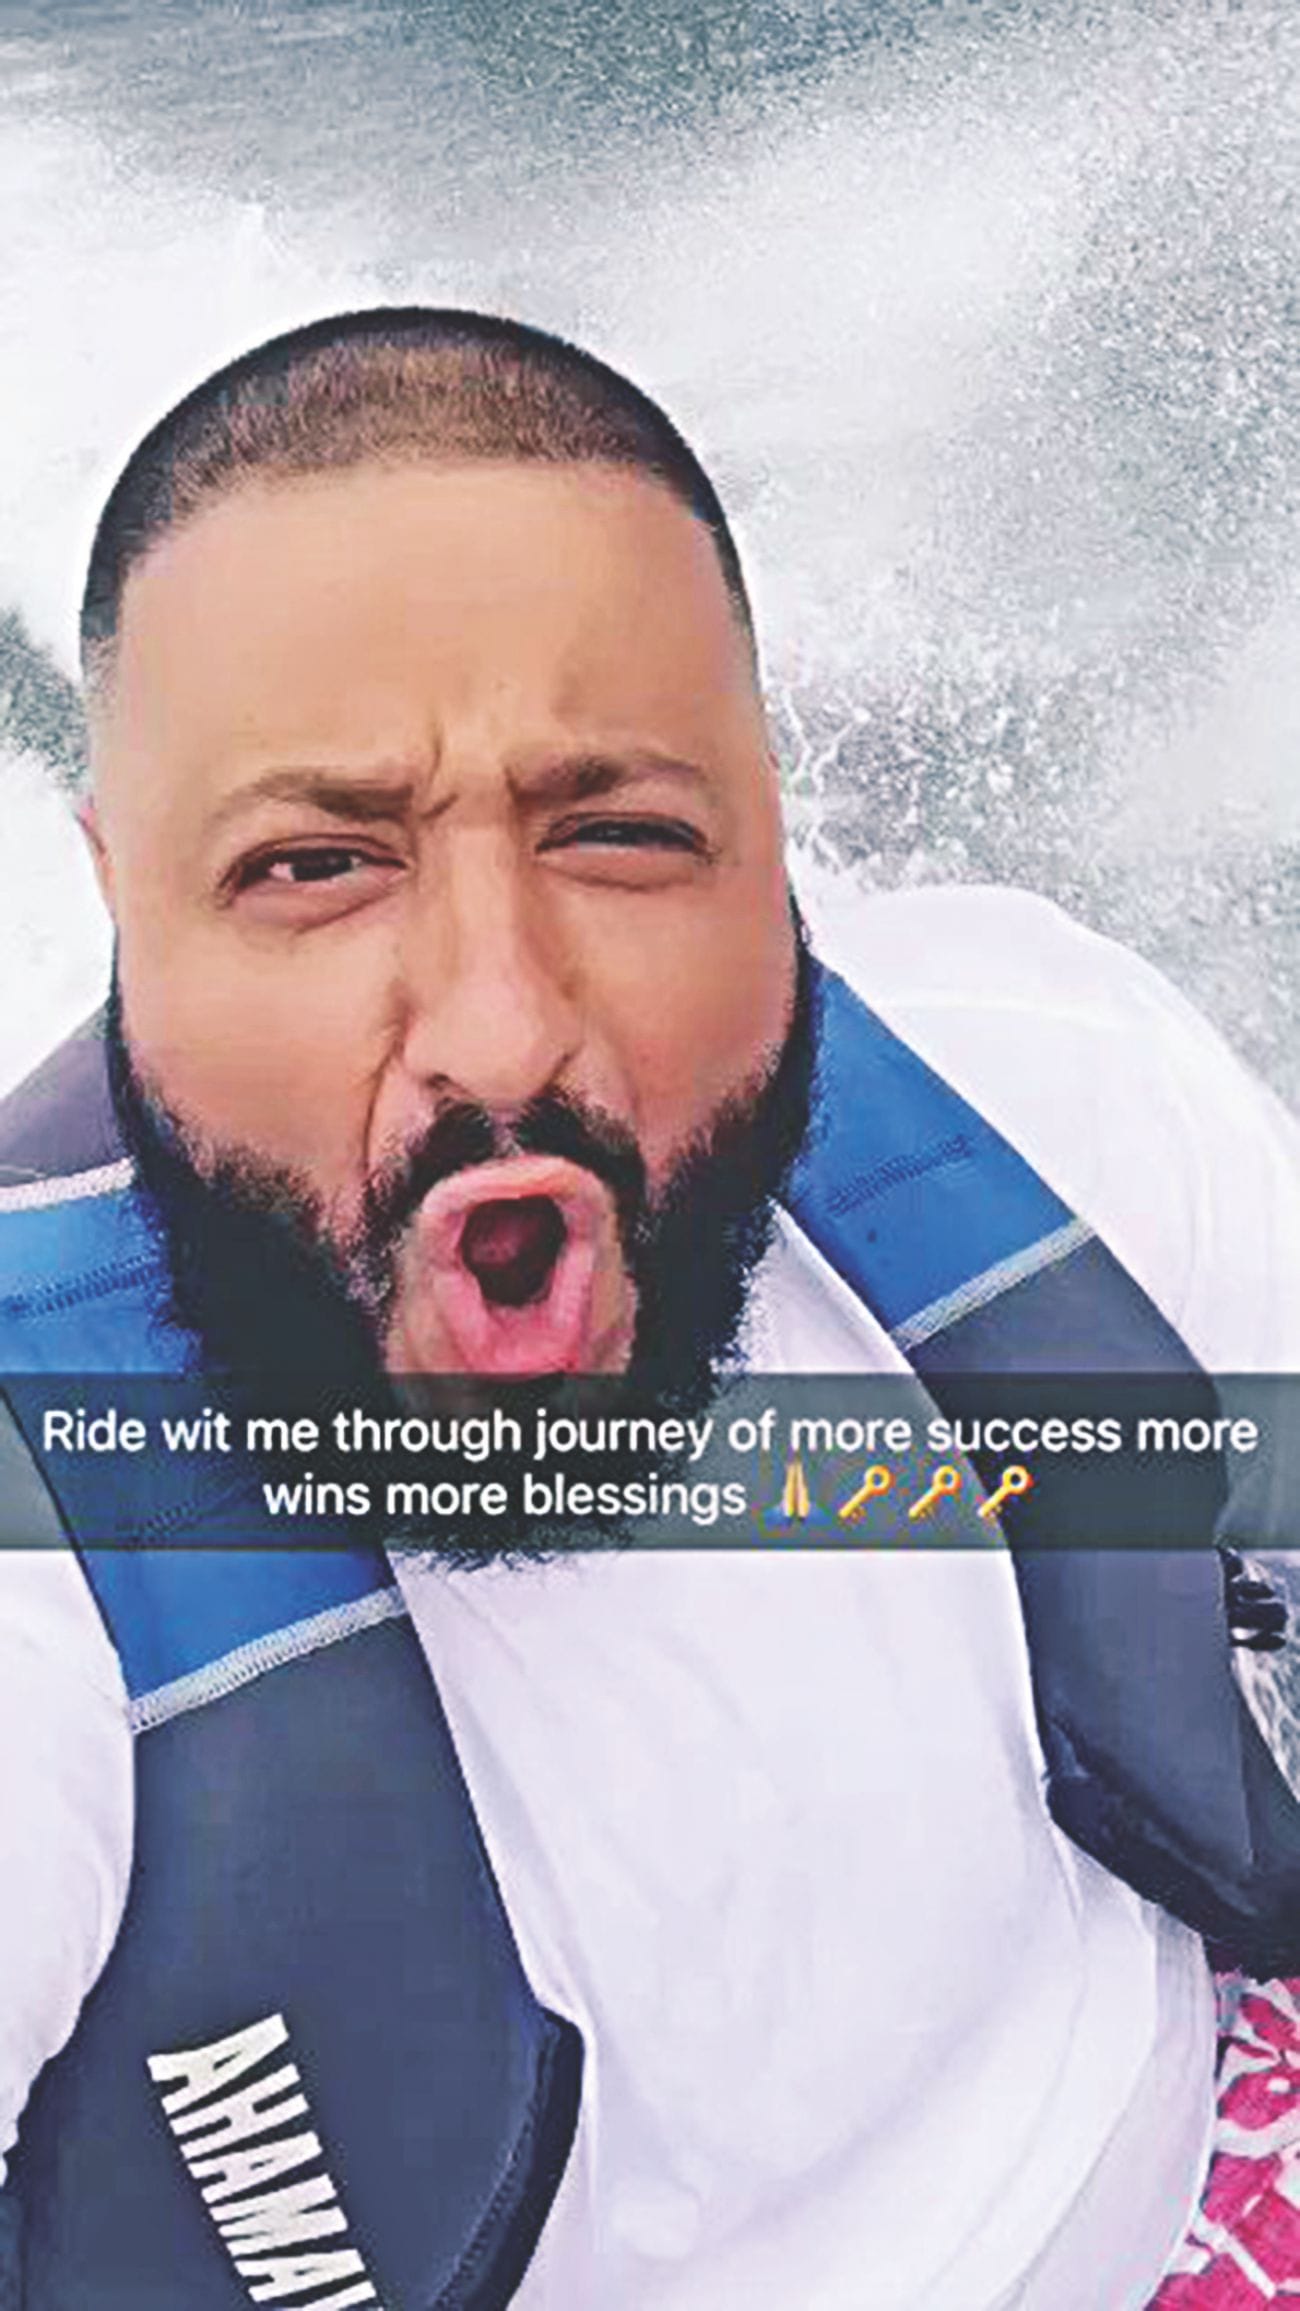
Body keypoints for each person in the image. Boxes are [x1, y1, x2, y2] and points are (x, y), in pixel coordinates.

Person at [0, 308, 1297, 2310]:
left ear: (768, 836)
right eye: (313, 865)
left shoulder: (1048, 1082)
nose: (502, 1030)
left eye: (618, 836)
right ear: (121, 899)